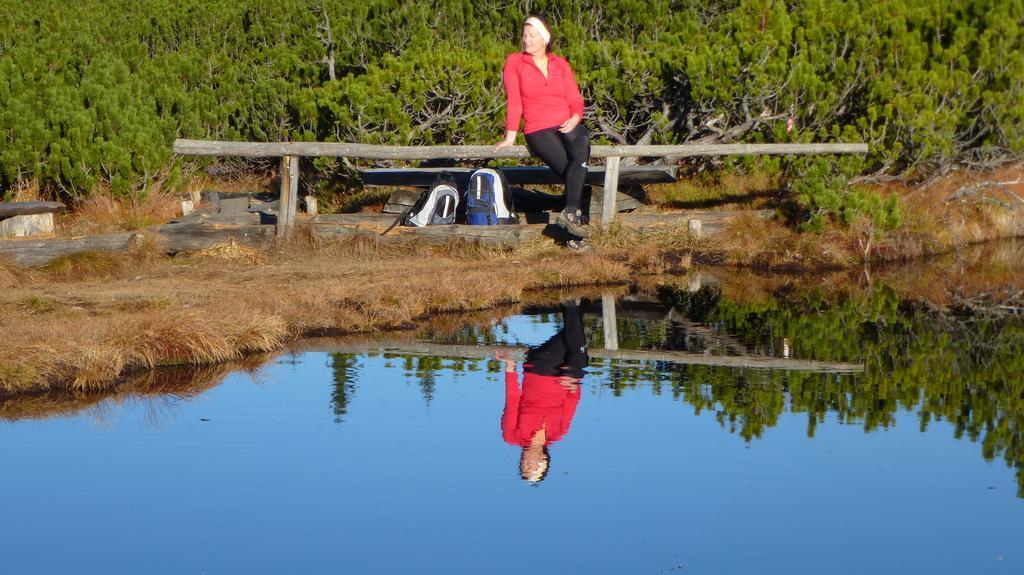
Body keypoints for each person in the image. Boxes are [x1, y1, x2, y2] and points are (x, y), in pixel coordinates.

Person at [494, 14, 591, 243]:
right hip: (538, 128)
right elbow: (515, 101)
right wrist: (510, 136)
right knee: (573, 173)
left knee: (582, 146)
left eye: (531, 35)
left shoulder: (560, 63)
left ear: (544, 38)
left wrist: (576, 117)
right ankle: (575, 231)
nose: (526, 39)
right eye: (524, 35)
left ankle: (570, 216)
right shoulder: (515, 62)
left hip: (567, 122)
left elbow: (574, 97)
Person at [497, 300, 589, 483]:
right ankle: (574, 303)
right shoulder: (559, 433)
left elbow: (513, 399)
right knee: (578, 356)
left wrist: (510, 368)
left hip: (540, 368)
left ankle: (575, 302)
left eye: (523, 466)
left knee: (578, 351)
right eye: (531, 467)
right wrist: (573, 386)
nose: (526, 463)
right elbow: (573, 401)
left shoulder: (512, 435)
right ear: (543, 461)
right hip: (565, 374)